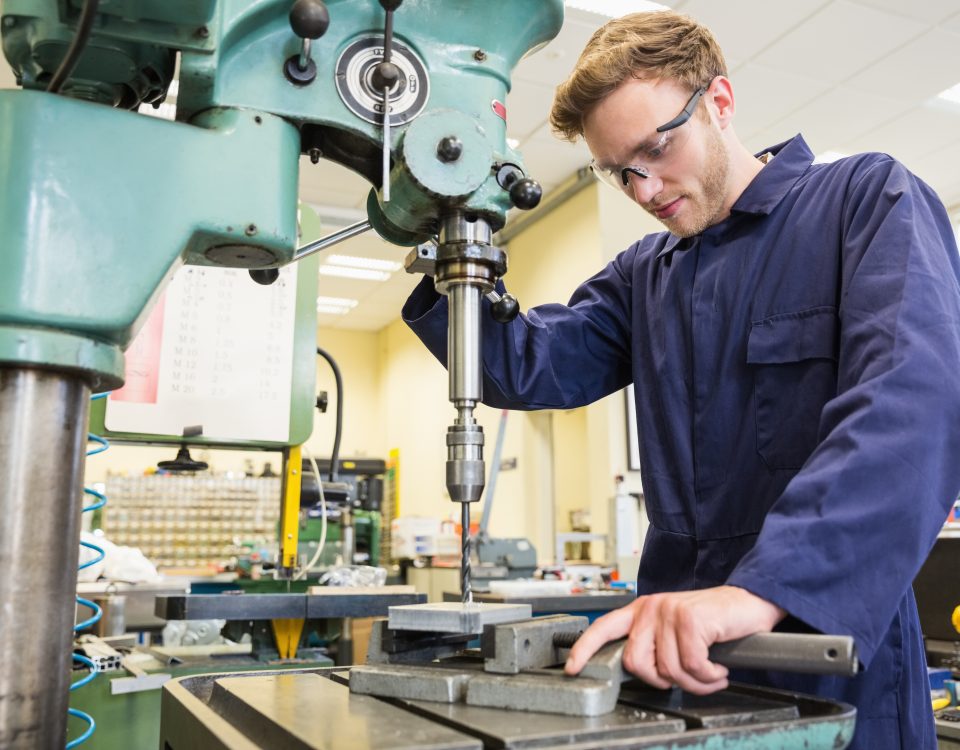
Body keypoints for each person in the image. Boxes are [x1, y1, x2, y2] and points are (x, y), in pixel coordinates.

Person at [402, 9, 960, 749]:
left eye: (656, 150)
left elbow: (910, 406)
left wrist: (760, 590)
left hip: (829, 653)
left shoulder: (864, 201)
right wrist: (444, 244)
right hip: (670, 658)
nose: (642, 188)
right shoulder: (647, 275)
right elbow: (527, 363)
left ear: (720, 103)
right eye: (618, 171)